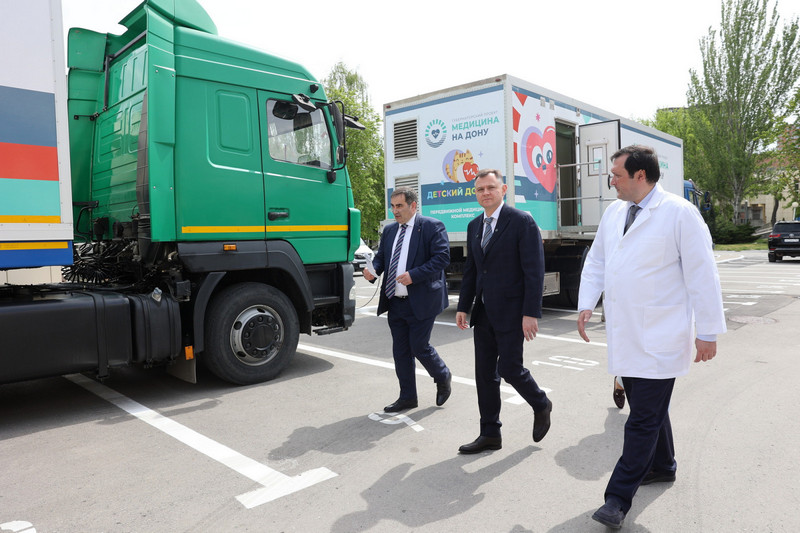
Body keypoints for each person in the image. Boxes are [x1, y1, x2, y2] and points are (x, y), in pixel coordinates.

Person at [576, 145, 726, 529]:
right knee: (649, 408)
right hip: (626, 332)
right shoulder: (614, 212)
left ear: (640, 175)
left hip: (662, 334)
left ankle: (616, 499)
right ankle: (663, 465)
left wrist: (708, 331)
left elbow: (702, 274)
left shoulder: (679, 213)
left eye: (617, 175)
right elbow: (597, 259)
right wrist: (587, 302)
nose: (611, 181)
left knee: (642, 418)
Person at [455, 169, 552, 454]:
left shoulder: (521, 221)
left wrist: (530, 313)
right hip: (484, 312)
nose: (485, 193)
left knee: (509, 368)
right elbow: (472, 269)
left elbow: (534, 270)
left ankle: (541, 402)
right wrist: (463, 306)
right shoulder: (474, 225)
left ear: (503, 189)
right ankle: (490, 434)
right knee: (484, 375)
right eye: (480, 189)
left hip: (513, 311)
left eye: (490, 187)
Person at [364, 187, 452, 413]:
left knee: (419, 346)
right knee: (401, 352)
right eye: (393, 206)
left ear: (413, 206)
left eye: (399, 206)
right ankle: (407, 397)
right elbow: (382, 257)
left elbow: (442, 258)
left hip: (422, 300)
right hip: (395, 300)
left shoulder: (432, 226)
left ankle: (442, 375)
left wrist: (414, 275)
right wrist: (373, 271)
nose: (395, 211)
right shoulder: (390, 230)